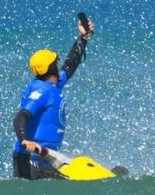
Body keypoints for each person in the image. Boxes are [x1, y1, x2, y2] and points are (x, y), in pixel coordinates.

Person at [12, 15, 94, 180]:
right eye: (56, 62)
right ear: (51, 68)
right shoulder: (41, 90)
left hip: (46, 158)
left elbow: (70, 64)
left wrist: (84, 38)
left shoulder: (54, 85)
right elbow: (21, 116)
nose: (59, 64)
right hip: (30, 160)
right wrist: (25, 141)